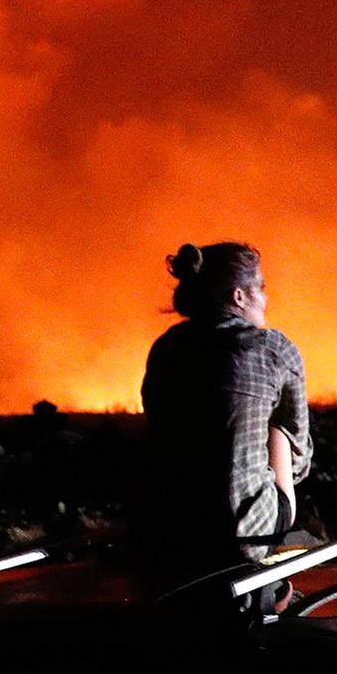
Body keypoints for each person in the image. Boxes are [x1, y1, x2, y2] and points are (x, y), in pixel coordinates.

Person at [140, 241, 313, 572]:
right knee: (281, 429)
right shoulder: (275, 349)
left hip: (168, 529)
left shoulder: (166, 348)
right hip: (243, 534)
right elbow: (299, 459)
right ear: (239, 296)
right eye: (261, 288)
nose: (266, 299)